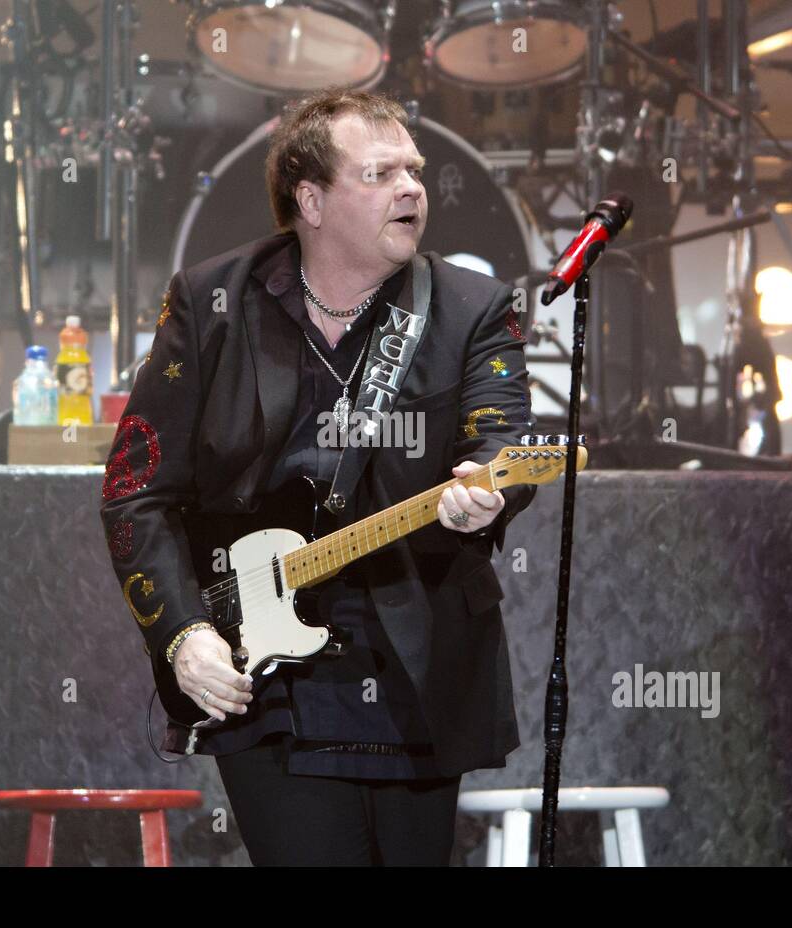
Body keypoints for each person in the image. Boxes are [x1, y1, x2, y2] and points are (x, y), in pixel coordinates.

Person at [100, 87, 537, 866]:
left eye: (415, 170)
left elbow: (503, 445)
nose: (410, 188)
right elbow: (137, 488)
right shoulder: (211, 303)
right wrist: (180, 635)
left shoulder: (472, 306)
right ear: (311, 199)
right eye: (379, 174)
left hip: (416, 665)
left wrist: (489, 492)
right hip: (266, 672)